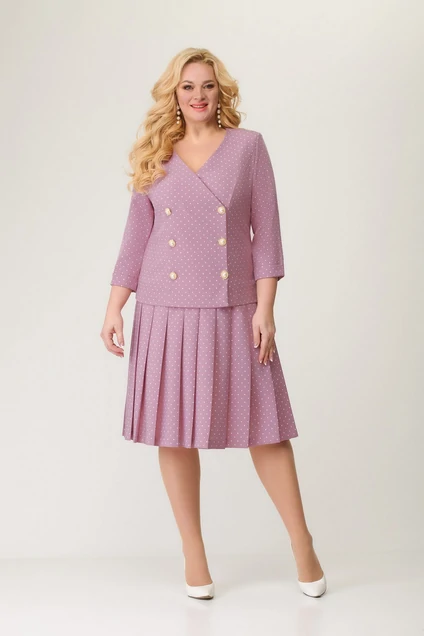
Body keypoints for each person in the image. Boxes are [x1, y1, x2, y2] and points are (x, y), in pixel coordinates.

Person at [100, 47, 326, 600]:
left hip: (234, 307)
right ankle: (193, 553)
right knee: (173, 432)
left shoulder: (248, 147)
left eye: (206, 85)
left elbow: (266, 233)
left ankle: (302, 542)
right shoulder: (156, 152)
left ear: (220, 91)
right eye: (187, 87)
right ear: (174, 96)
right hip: (165, 310)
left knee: (266, 429)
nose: (198, 95)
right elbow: (136, 236)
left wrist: (265, 308)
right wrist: (114, 306)